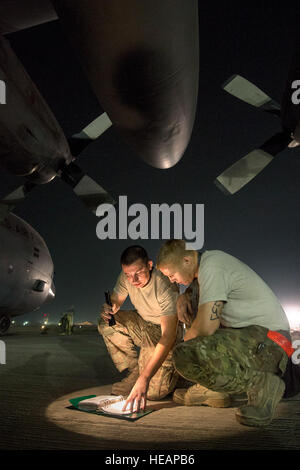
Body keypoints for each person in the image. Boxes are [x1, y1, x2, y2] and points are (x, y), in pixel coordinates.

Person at [157, 239, 292, 427]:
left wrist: (183, 343)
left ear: (187, 260)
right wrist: (183, 296)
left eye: (171, 275)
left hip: (271, 342)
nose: (171, 280)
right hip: (258, 337)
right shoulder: (207, 266)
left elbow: (206, 327)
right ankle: (213, 388)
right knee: (196, 317)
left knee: (185, 354)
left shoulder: (212, 266)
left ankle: (262, 383)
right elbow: (197, 292)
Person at [98, 245, 182, 413]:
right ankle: (135, 372)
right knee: (107, 323)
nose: (133, 280)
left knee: (154, 393)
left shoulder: (164, 285)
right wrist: (110, 307)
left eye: (138, 273)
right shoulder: (127, 276)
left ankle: (179, 372)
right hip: (143, 322)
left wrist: (145, 378)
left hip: (164, 330)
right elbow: (117, 299)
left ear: (150, 265)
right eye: (128, 274)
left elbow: (168, 336)